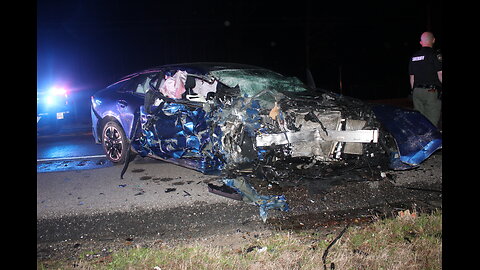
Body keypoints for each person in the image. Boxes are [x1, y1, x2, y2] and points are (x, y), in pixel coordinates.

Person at [408, 31, 443, 127]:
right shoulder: (435, 55)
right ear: (433, 40)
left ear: (421, 42)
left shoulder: (414, 57)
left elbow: (412, 78)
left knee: (419, 121)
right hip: (431, 92)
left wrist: (413, 90)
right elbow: (440, 74)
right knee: (431, 123)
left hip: (417, 92)